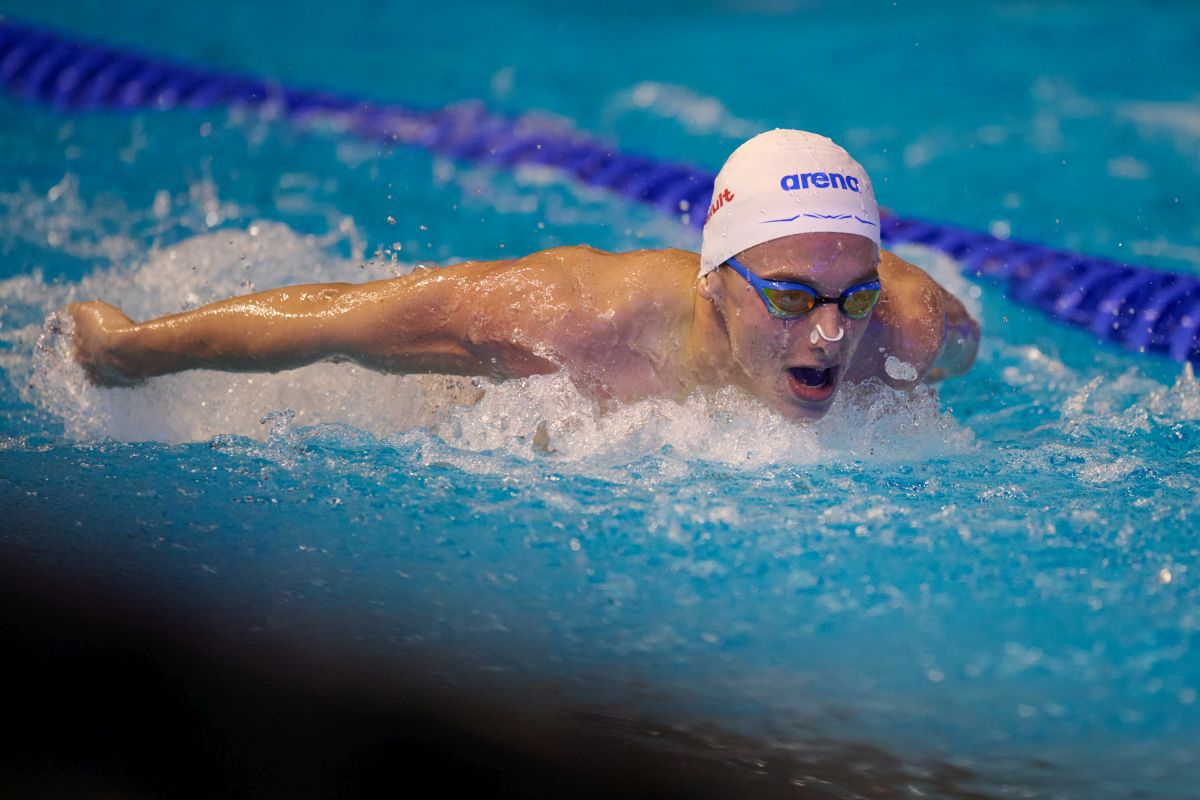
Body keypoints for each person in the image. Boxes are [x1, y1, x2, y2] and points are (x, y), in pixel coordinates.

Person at [67, 129, 979, 424]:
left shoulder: (911, 334)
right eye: (790, 297)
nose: (831, 334)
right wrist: (133, 351)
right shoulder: (568, 318)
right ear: (714, 279)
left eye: (853, 297)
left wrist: (860, 292)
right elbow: (331, 318)